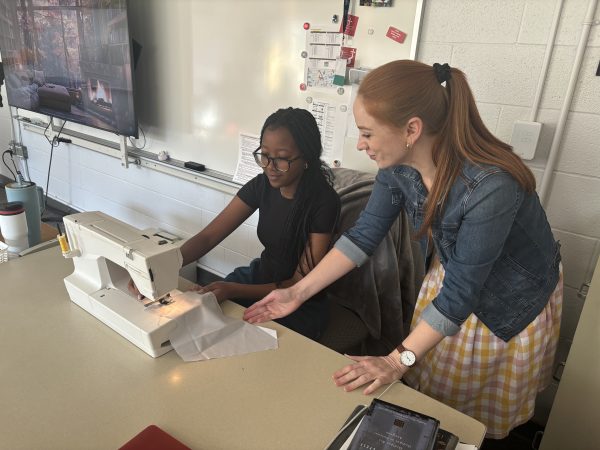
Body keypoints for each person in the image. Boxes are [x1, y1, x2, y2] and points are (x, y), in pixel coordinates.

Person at [243, 61, 562, 439]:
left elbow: (462, 293)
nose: (360, 145)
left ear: (411, 130)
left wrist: (396, 360)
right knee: (435, 387)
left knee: (471, 412)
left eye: (366, 133)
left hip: (509, 294)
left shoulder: (491, 185)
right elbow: (362, 237)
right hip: (457, 280)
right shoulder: (400, 167)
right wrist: (297, 291)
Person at [134, 107, 340, 340]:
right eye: (264, 155)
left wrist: (231, 289)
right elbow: (208, 237)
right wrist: (159, 268)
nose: (269, 167)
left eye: (281, 159)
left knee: (240, 338)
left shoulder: (324, 203)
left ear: (307, 158)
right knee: (198, 317)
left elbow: (297, 284)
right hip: (259, 278)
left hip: (299, 301)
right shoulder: (262, 185)